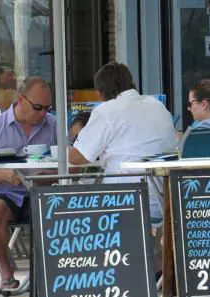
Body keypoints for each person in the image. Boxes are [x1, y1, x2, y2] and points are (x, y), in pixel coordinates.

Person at [68, 61, 178, 275]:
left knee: (73, 205)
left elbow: (77, 157)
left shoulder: (107, 111)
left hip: (127, 201)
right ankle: (149, 268)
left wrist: (75, 140)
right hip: (165, 198)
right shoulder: (158, 106)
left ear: (100, 93)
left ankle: (100, 274)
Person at [0, 76, 56, 289]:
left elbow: (69, 164)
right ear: (20, 99)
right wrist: (4, 175)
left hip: (44, 191)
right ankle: (6, 270)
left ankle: (54, 272)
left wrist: (48, 173)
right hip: (9, 194)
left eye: (47, 107)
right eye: (38, 107)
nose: (43, 113)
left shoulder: (53, 125)